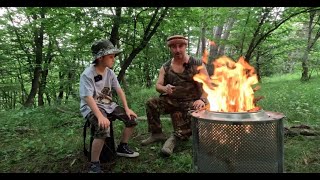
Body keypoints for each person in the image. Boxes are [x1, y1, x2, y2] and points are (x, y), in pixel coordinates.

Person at [141, 35, 210, 156]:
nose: (177, 50)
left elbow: (208, 85)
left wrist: (202, 99)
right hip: (172, 101)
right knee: (151, 102)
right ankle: (156, 133)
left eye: (180, 46)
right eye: (173, 47)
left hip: (192, 102)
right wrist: (164, 88)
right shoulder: (166, 66)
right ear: (170, 48)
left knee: (194, 115)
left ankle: (175, 138)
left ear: (185, 46)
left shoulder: (197, 63)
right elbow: (158, 85)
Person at [79, 39, 139, 173]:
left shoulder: (110, 72)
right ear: (100, 58)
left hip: (108, 104)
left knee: (131, 120)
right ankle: (94, 164)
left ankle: (122, 147)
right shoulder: (87, 74)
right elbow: (87, 97)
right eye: (111, 56)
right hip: (91, 107)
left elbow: (119, 90)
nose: (114, 59)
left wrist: (127, 108)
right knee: (103, 128)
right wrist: (100, 116)